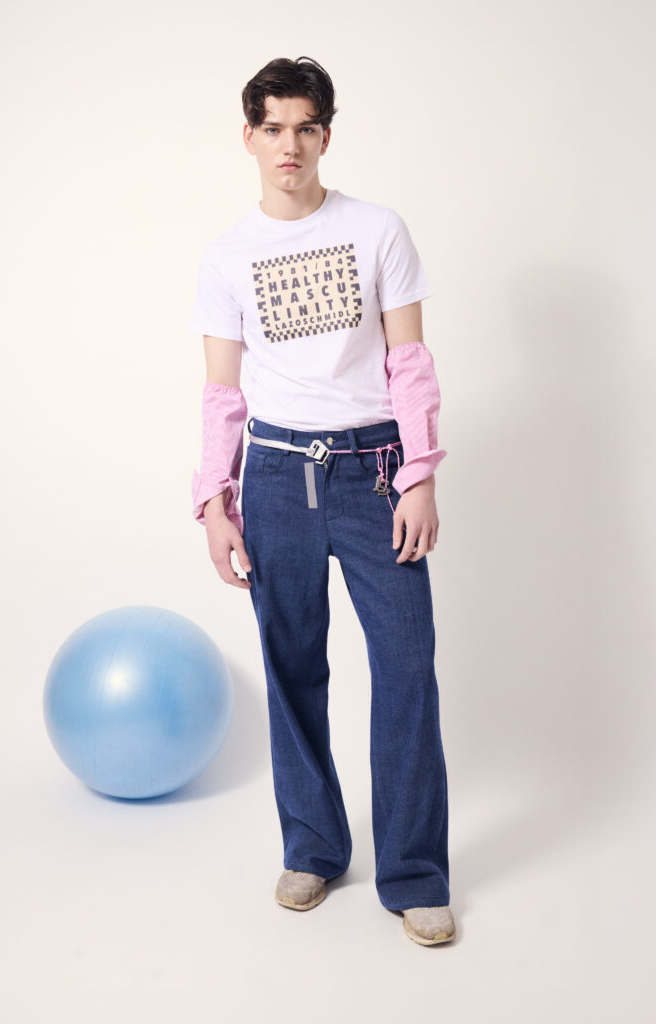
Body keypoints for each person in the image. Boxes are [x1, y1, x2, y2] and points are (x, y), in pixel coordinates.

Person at [188, 56, 455, 946]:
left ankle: (413, 873)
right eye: (272, 128)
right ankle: (312, 847)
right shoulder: (227, 256)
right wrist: (214, 500)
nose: (289, 145)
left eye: (305, 127)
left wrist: (418, 473)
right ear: (249, 137)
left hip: (372, 471)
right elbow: (222, 391)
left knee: (406, 667)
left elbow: (408, 362)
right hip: (273, 476)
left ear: (326, 135)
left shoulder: (377, 229)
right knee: (292, 667)